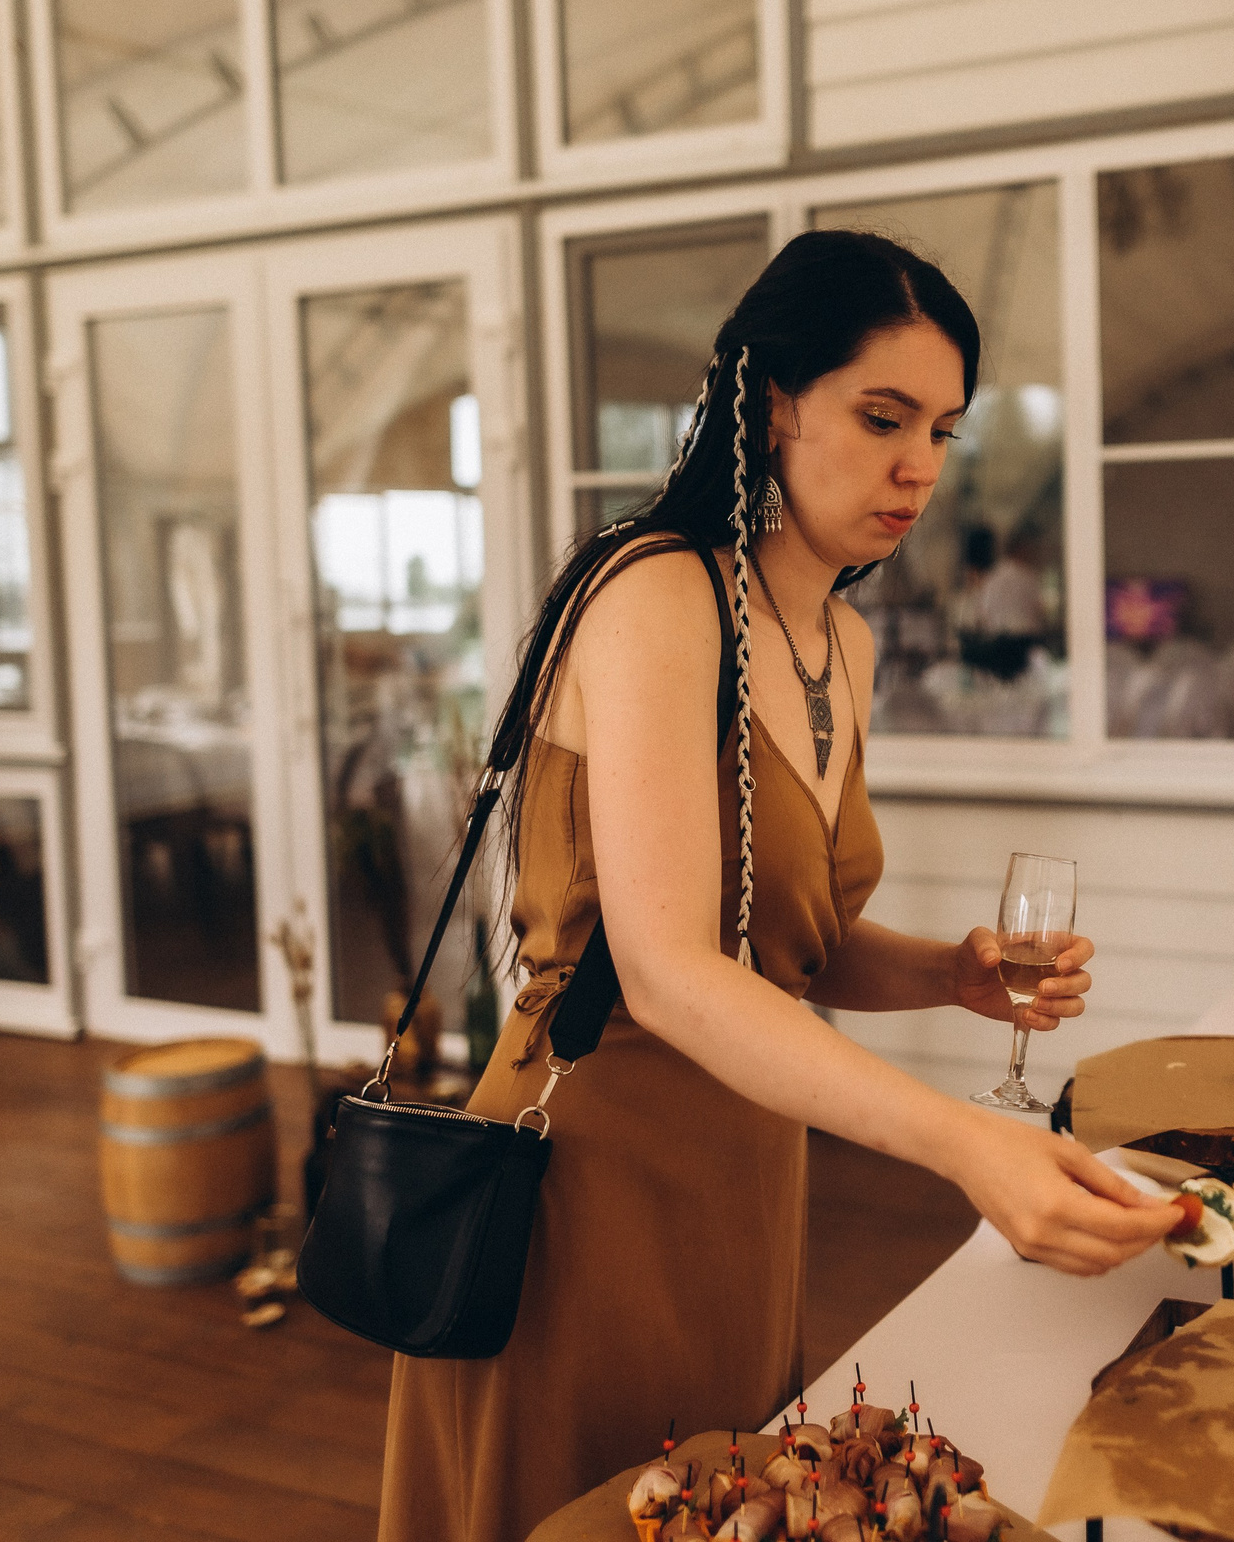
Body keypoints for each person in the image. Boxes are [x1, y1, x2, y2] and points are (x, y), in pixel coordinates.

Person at [378, 232, 1179, 1540]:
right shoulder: (658, 592)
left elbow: (787, 943)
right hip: (586, 1173)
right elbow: (669, 971)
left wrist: (949, 974)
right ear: (774, 401)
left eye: (943, 430)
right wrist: (966, 1141)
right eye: (882, 416)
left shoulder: (840, 638)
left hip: (749, 1170)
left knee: (738, 1504)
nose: (919, 465)